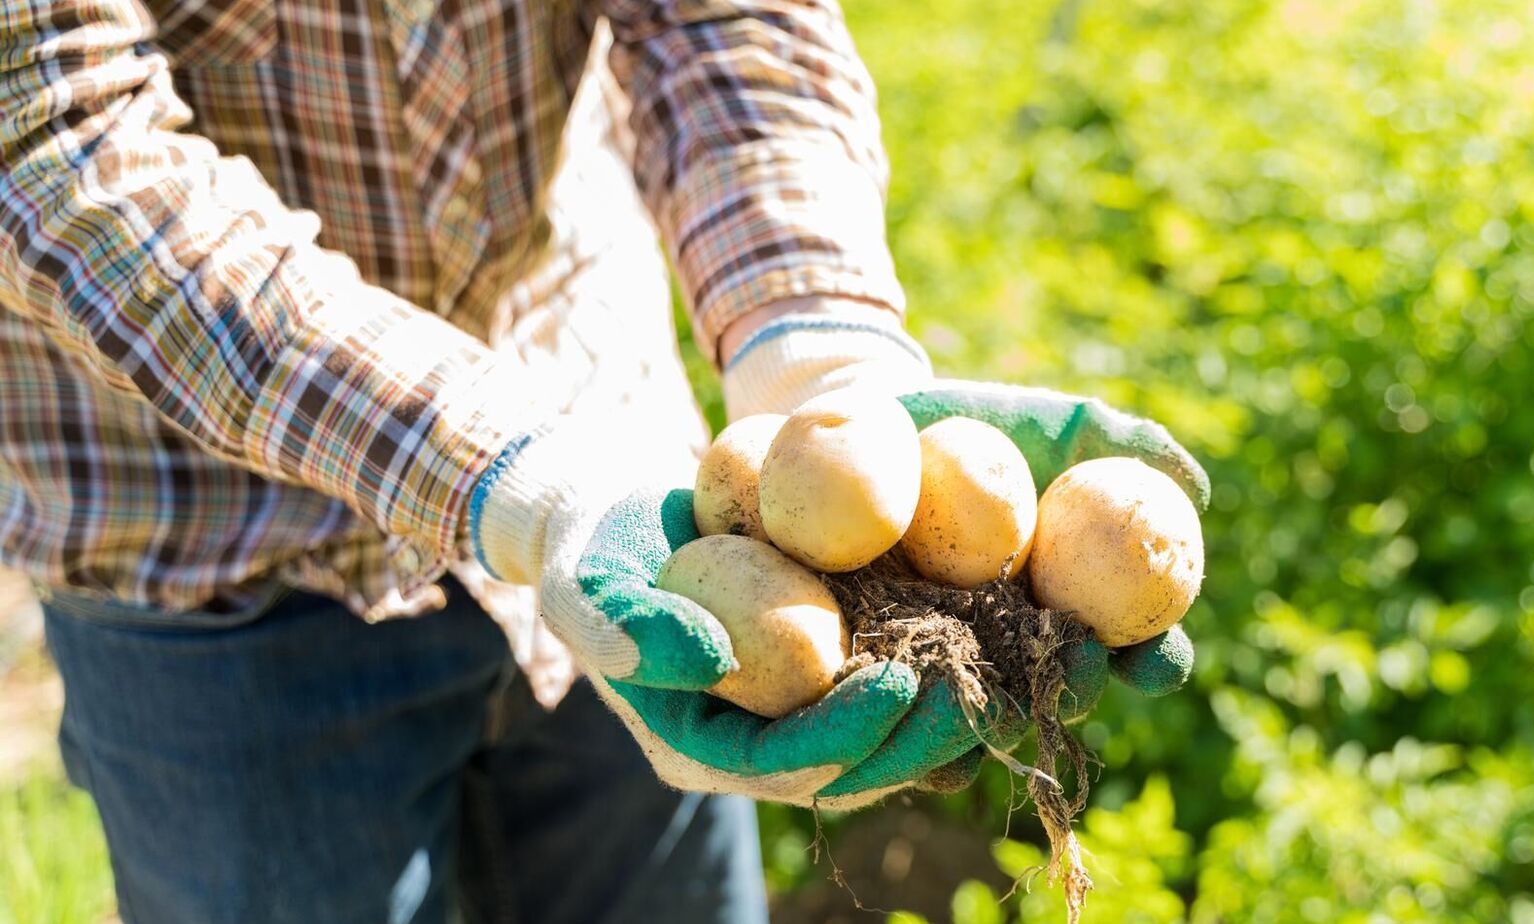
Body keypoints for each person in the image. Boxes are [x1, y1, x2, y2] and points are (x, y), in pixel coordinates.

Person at [0, 0, 1207, 920]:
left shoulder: (676, 537)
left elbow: (725, 20)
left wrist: (818, 348)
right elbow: (57, 139)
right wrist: (523, 481)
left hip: (633, 506)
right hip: (208, 545)